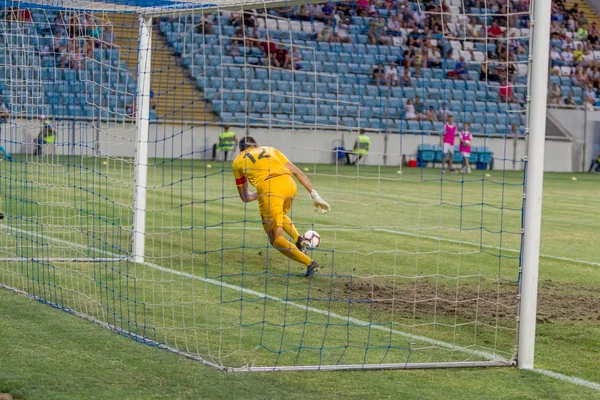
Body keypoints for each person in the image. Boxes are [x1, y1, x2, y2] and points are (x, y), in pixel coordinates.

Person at [232, 136, 329, 277]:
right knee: (279, 216)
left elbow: (245, 197)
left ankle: (309, 263)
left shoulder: (238, 161)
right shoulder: (270, 149)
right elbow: (297, 172)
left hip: (269, 188)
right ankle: (298, 239)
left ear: (240, 150)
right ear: (256, 145)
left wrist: (262, 193)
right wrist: (315, 195)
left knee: (276, 239)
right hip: (289, 185)